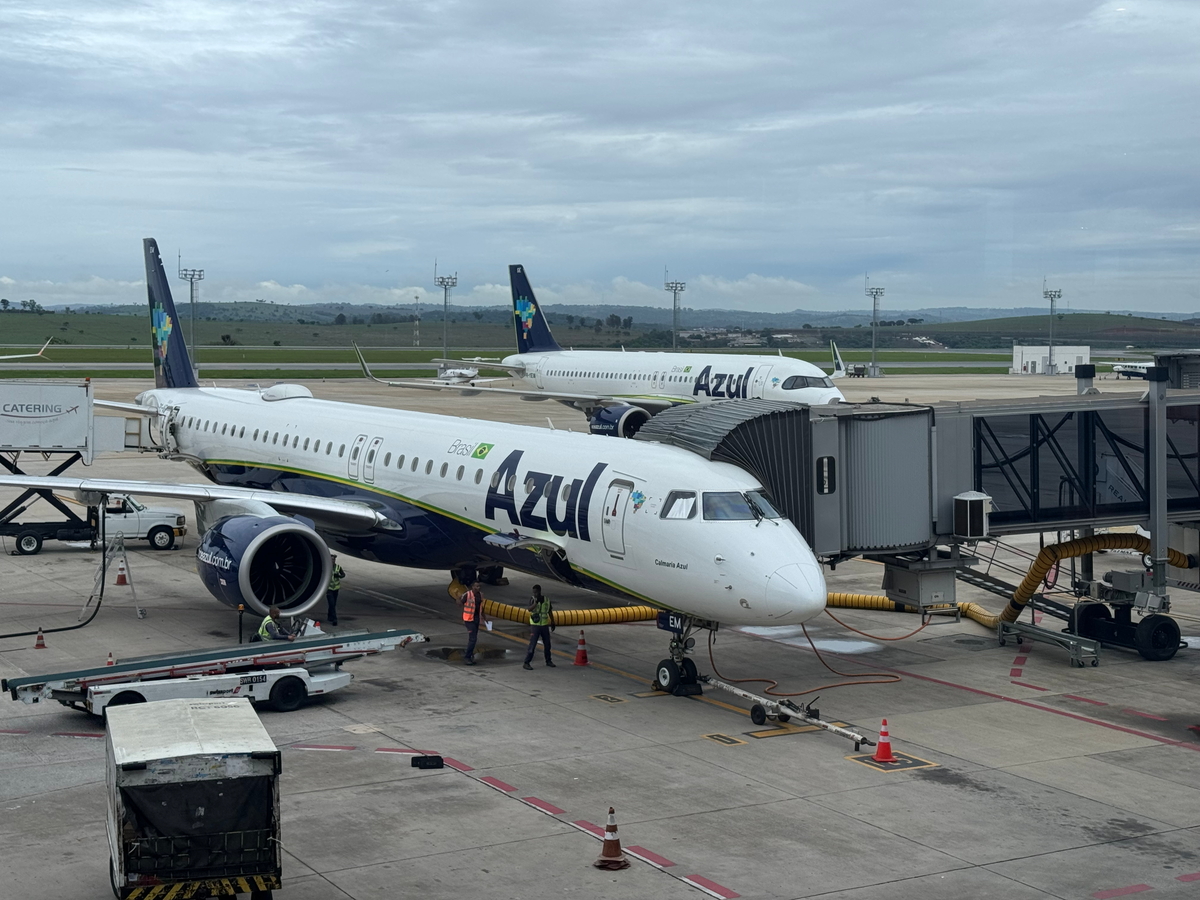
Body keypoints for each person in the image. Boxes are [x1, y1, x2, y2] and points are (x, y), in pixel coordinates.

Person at [522, 584, 555, 670]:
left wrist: (553, 622)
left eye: (536, 592)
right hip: (535, 626)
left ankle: (548, 661)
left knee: (547, 644)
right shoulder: (533, 599)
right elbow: (529, 609)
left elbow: (549, 611)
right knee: (532, 645)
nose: (535, 594)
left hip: (544, 625)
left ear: (540, 591)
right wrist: (536, 603)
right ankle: (526, 662)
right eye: (534, 592)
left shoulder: (547, 599)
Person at [458, 580, 484, 665]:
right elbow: (459, 603)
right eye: (476, 586)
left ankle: (469, 654)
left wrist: (484, 617)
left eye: (479, 586)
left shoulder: (480, 595)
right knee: (473, 639)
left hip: (476, 619)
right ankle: (467, 657)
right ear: (472, 587)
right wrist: (458, 599)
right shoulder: (467, 595)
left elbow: (481, 607)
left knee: (474, 638)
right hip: (469, 619)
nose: (478, 588)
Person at [326, 554, 345, 625]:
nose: (332, 561)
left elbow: (343, 575)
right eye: (331, 559)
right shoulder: (327, 567)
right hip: (329, 589)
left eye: (333, 559)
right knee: (332, 603)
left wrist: (339, 576)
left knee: (333, 604)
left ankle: (329, 616)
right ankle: (334, 619)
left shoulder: (338, 567)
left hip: (336, 589)